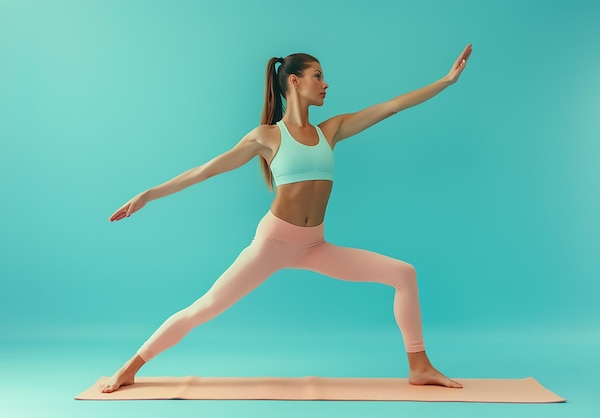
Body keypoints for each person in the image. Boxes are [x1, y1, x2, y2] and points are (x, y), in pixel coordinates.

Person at [100, 44, 473, 393]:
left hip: (315, 245)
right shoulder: (267, 136)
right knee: (206, 307)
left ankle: (420, 367)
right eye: (317, 76)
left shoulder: (332, 130)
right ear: (293, 81)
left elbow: (392, 106)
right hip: (273, 244)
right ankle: (131, 366)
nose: (326, 84)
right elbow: (205, 170)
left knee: (403, 274)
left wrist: (445, 81)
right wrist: (147, 195)